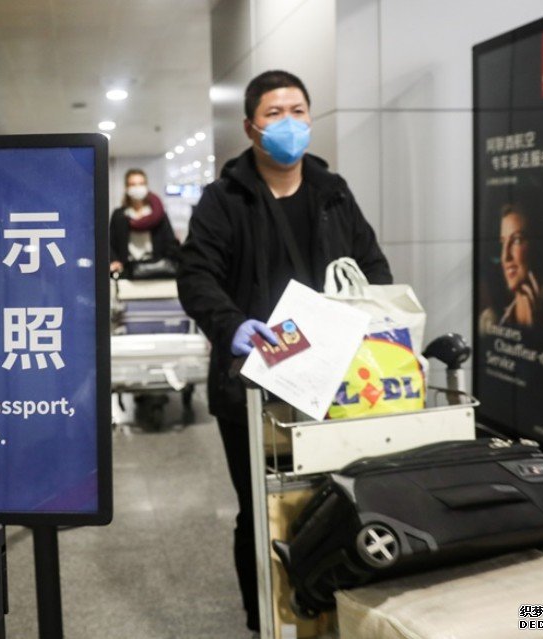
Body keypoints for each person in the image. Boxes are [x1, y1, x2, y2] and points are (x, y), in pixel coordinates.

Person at [176, 70, 391, 632]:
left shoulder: (333, 192)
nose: (289, 123)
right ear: (251, 128)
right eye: (275, 113)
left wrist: (378, 320)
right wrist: (231, 326)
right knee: (261, 509)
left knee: (339, 499)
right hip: (253, 385)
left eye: (299, 110)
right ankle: (266, 621)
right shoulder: (223, 201)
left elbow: (373, 268)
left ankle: (332, 614)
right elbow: (196, 276)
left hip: (338, 380)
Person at [479, 203, 543, 334]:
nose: (505, 257)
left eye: (517, 240)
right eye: (503, 242)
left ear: (538, 247)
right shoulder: (489, 322)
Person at [109, 168, 179, 278]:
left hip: (155, 269)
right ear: (126, 188)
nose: (137, 188)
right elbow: (111, 243)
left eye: (141, 184)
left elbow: (170, 242)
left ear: (146, 186)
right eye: (133, 184)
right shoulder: (119, 215)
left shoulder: (158, 215)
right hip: (127, 271)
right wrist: (114, 261)